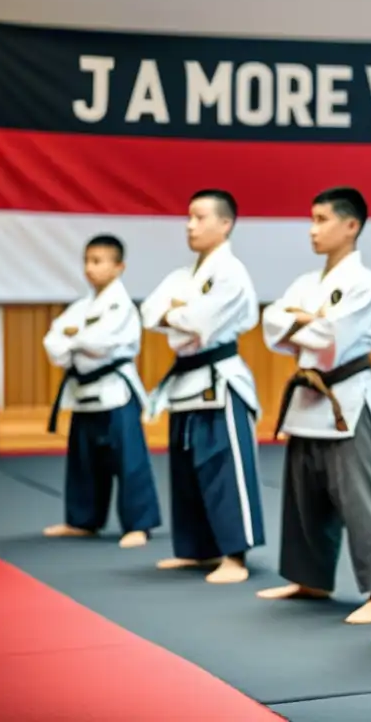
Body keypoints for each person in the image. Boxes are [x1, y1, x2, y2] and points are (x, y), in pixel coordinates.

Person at [257, 187, 371, 625]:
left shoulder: (364, 283)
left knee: (359, 499)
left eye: (322, 219)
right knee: (304, 496)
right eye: (311, 219)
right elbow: (270, 326)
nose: (313, 229)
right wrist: (306, 321)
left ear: (351, 225)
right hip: (307, 398)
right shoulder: (305, 283)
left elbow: (331, 343)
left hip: (348, 398)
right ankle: (309, 578)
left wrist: (301, 320)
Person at [141, 189, 265, 585]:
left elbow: (200, 321)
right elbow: (148, 312)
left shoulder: (231, 272)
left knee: (223, 467)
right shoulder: (183, 275)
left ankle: (236, 555)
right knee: (187, 469)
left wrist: (175, 312)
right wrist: (178, 313)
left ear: (225, 224)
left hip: (220, 380)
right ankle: (197, 549)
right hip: (186, 381)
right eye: (188, 217)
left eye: (199, 217)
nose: (190, 225)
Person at [42, 234, 161, 548]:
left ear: (118, 266)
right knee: (84, 459)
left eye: (98, 261)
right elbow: (53, 342)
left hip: (115, 392)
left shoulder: (121, 305)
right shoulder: (80, 307)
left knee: (128, 460)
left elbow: (101, 342)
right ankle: (83, 520)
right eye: (87, 261)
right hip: (83, 392)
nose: (90, 268)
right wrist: (75, 339)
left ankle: (139, 524)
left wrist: (74, 338)